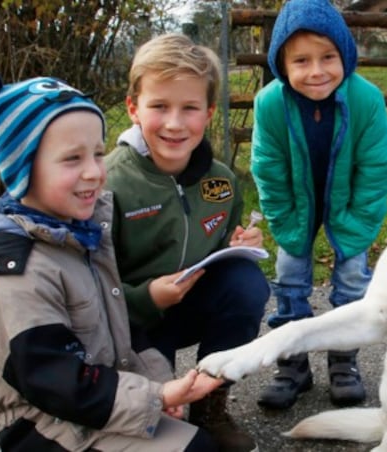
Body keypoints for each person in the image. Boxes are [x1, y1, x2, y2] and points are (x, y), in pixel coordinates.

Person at [0, 71, 224, 451]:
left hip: (95, 404)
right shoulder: (15, 273)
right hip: (47, 422)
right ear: (23, 171)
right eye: (72, 159)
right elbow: (55, 380)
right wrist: (157, 398)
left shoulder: (82, 235)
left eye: (98, 154)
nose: (93, 172)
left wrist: (161, 391)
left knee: (200, 445)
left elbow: (124, 330)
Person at [104, 34, 270, 452]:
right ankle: (150, 400)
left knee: (246, 282)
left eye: (189, 108)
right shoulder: (107, 183)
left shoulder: (221, 180)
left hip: (188, 305)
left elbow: (221, 245)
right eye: (159, 106)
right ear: (133, 108)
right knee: (160, 431)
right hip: (129, 320)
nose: (175, 123)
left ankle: (211, 406)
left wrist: (241, 242)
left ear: (209, 112)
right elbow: (86, 287)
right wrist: (146, 298)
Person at [250, 0, 387, 410]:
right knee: (289, 277)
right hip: (297, 204)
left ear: (345, 56)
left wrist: (358, 222)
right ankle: (292, 362)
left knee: (352, 279)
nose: (316, 71)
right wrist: (282, 220)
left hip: (348, 204)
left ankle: (342, 358)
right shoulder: (271, 104)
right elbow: (267, 166)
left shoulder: (366, 99)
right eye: (301, 60)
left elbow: (378, 164)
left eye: (328, 57)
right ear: (282, 64)